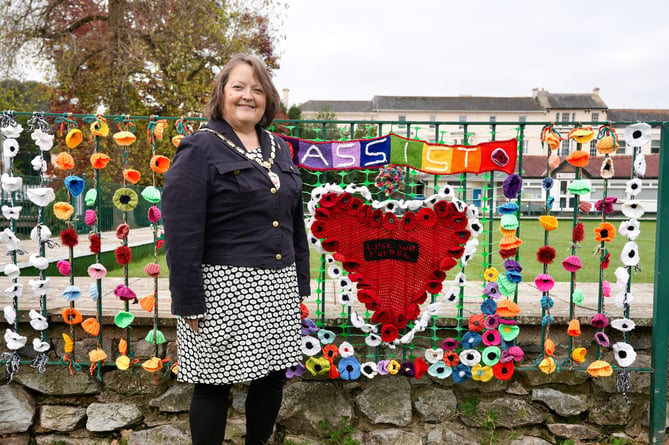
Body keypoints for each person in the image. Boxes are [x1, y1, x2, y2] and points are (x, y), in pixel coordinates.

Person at [162, 54, 311, 445]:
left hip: (277, 285)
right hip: (220, 288)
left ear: (268, 99)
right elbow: (180, 231)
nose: (249, 96)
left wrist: (299, 285)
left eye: (258, 89)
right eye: (239, 87)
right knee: (213, 384)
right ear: (222, 94)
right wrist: (189, 299)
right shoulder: (200, 148)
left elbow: (294, 218)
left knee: (271, 376)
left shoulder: (278, 148)